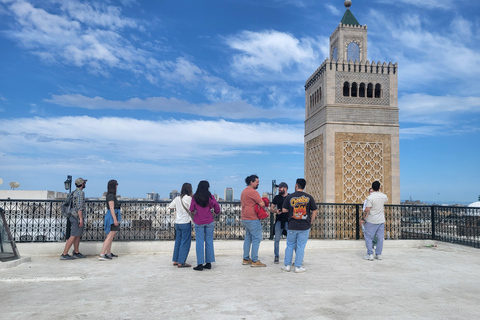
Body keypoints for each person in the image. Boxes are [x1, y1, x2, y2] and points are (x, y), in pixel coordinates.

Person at [281, 178, 317, 273]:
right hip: (304, 226)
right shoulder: (309, 197)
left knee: (290, 245)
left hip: (292, 225)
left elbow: (284, 210)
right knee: (301, 247)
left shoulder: (290, 197)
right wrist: (311, 221)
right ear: (304, 186)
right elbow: (315, 211)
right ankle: (298, 267)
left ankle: (287, 265)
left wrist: (292, 211)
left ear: (296, 185)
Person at [189, 181, 220, 271]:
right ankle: (209, 263)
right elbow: (217, 208)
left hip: (199, 221)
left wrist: (196, 211)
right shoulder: (210, 196)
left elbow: (191, 209)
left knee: (199, 242)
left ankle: (200, 264)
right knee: (209, 242)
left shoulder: (195, 197)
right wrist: (214, 213)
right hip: (209, 220)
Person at [240, 174, 267, 267]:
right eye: (257, 182)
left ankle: (246, 258)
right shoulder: (253, 192)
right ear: (251, 182)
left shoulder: (244, 191)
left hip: (244, 217)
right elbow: (262, 204)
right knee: (257, 238)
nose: (258, 183)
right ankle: (255, 260)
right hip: (252, 218)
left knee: (248, 238)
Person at [60, 177, 87, 260]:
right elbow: (79, 207)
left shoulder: (74, 192)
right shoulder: (80, 193)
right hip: (77, 217)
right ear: (82, 184)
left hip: (73, 216)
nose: (85, 184)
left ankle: (76, 251)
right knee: (73, 236)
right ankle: (64, 254)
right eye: (84, 183)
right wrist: (81, 219)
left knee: (77, 235)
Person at [361, 181, 388, 261]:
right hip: (381, 220)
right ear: (379, 188)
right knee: (380, 238)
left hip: (371, 220)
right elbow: (384, 201)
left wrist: (362, 219)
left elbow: (367, 209)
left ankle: (370, 254)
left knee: (368, 237)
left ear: (372, 187)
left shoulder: (370, 198)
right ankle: (378, 254)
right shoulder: (384, 196)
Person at [168, 183, 193, 268]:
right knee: (185, 242)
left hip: (177, 222)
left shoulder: (177, 198)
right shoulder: (189, 198)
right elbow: (192, 208)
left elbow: (170, 206)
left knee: (178, 241)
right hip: (185, 222)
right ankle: (181, 262)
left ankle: (175, 260)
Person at [99, 180, 121, 261]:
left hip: (112, 215)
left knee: (111, 236)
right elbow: (111, 208)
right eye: (116, 184)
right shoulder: (111, 196)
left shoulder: (110, 195)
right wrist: (115, 219)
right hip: (112, 216)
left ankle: (108, 252)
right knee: (110, 236)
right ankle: (102, 254)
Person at [270, 182, 289, 264]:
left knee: (291, 240)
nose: (279, 189)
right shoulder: (277, 198)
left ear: (285, 188)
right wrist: (276, 211)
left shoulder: (290, 197)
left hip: (288, 221)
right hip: (279, 221)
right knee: (277, 239)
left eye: (280, 187)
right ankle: (276, 256)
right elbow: (271, 208)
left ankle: (289, 255)